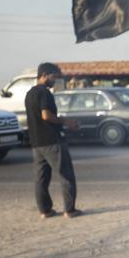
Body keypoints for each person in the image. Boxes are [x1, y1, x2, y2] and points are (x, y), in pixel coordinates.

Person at [24, 62, 81, 219]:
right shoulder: (44, 92)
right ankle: (69, 210)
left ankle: (45, 210)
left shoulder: (29, 94)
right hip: (51, 141)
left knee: (41, 179)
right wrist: (66, 121)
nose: (54, 80)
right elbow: (45, 115)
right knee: (66, 174)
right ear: (44, 75)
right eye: (53, 77)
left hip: (37, 143)